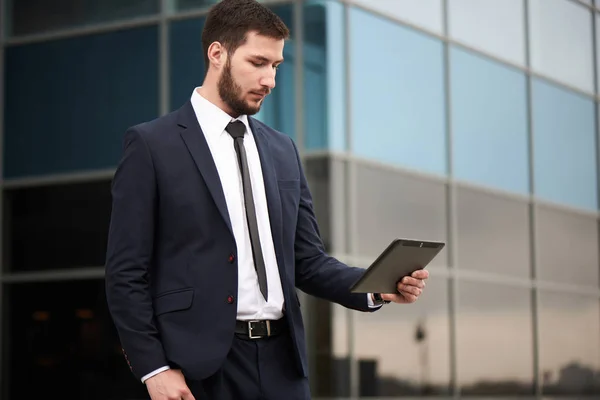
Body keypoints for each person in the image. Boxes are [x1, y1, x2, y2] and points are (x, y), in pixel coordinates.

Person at [104, 0, 429, 399]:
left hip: (283, 365)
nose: (270, 80)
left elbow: (307, 262)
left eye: (275, 66)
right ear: (218, 53)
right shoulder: (152, 145)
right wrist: (153, 368)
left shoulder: (282, 149)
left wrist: (377, 287)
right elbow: (125, 273)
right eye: (258, 62)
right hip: (197, 369)